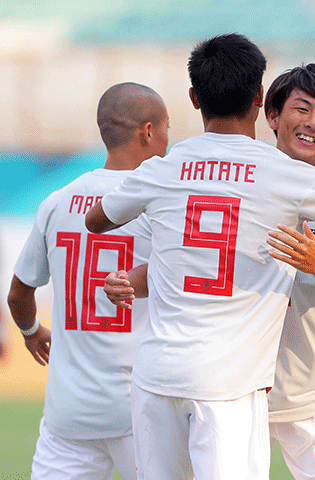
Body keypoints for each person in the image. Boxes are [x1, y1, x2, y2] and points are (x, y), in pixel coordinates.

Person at [85, 35, 315, 480]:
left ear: (194, 98)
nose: (312, 123)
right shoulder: (291, 177)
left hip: (161, 378)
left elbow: (98, 222)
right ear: (262, 103)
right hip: (230, 385)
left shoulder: (166, 168)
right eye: (302, 109)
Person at [6, 82, 169, 480]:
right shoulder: (160, 203)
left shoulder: (57, 201)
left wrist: (31, 332)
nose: (169, 137)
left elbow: (18, 294)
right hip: (139, 408)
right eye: (166, 127)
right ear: (147, 131)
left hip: (69, 413)